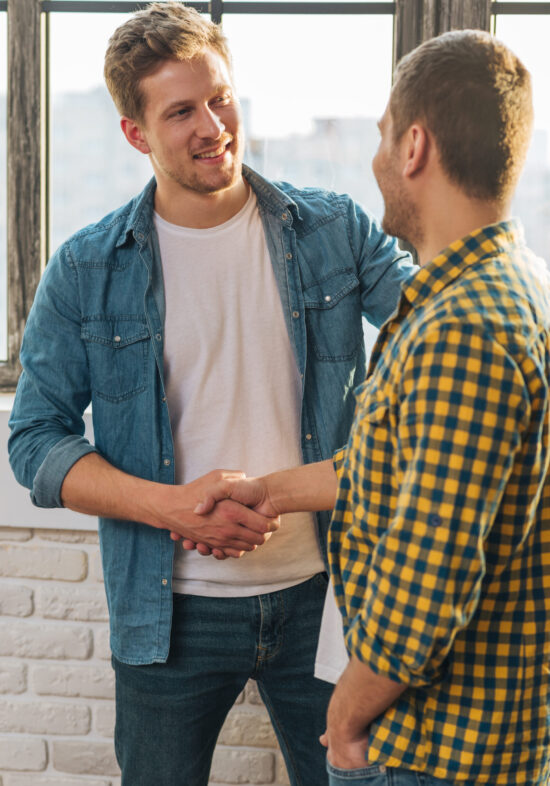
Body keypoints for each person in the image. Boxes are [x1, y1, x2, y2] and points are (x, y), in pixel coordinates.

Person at [7, 3, 415, 784]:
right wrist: (167, 505)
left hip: (325, 598)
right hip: (170, 619)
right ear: (136, 133)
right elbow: (34, 442)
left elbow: (436, 329)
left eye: (220, 97)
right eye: (182, 111)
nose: (212, 125)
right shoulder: (86, 268)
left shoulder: (334, 231)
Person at [196, 29, 550, 785]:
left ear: (415, 147)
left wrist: (345, 718)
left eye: (383, 136)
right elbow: (393, 468)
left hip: (434, 750)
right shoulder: (504, 287)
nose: (376, 158)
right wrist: (269, 490)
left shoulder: (462, 329)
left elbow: (425, 586)